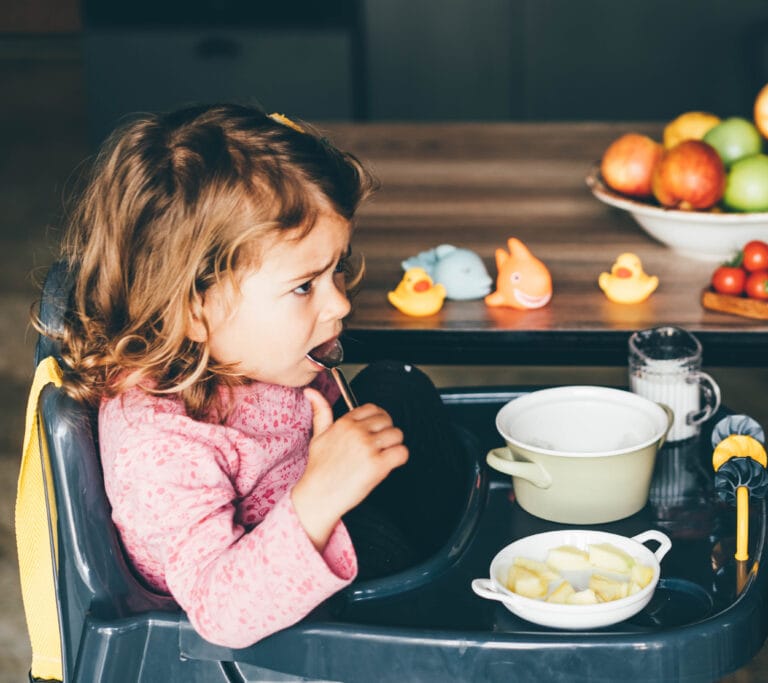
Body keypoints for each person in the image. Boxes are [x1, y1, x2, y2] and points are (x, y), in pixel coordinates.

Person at [44, 103, 465, 649]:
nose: (339, 303)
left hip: (307, 494)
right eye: (304, 286)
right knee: (375, 541)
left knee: (396, 388)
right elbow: (220, 612)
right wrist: (321, 495)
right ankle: (442, 611)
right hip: (279, 607)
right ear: (194, 309)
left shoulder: (242, 350)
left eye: (336, 269)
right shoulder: (160, 449)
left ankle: (461, 546)